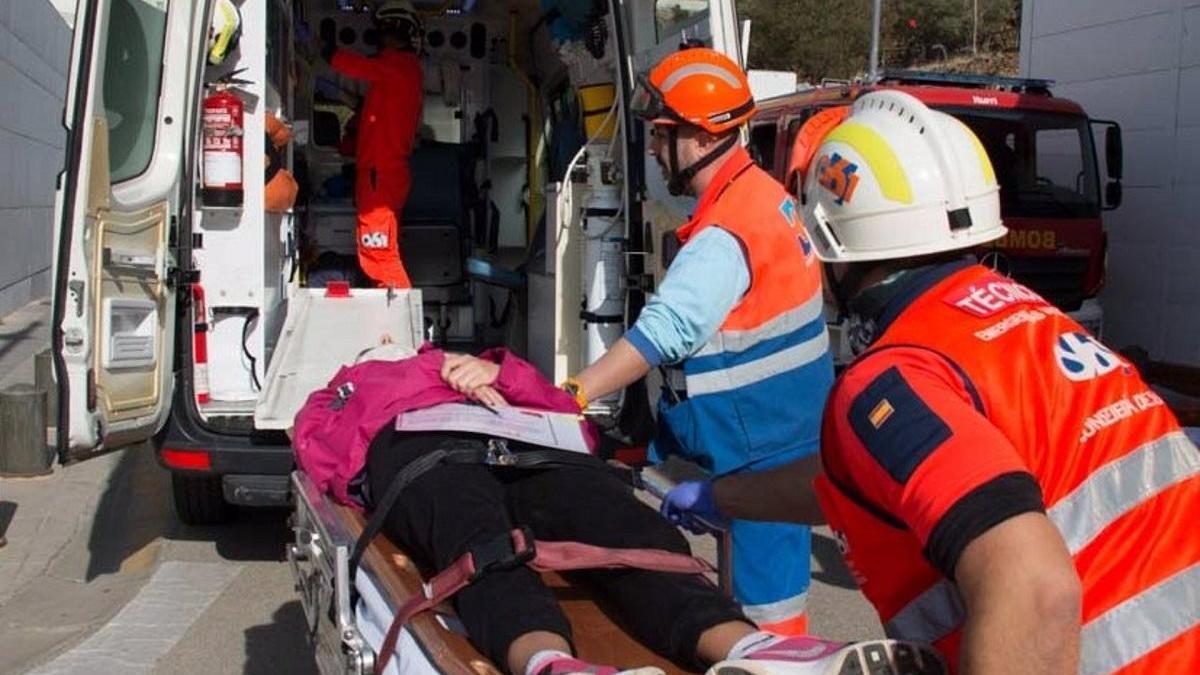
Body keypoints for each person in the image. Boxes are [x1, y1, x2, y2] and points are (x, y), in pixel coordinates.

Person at [665, 90, 1200, 674]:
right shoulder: (1023, 322)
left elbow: (1033, 590)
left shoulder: (893, 377)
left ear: (833, 242)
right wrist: (725, 498)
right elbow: (875, 474)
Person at [441, 47, 834, 635]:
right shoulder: (763, 199)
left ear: (702, 139)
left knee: (766, 623)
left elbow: (660, 337)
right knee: (756, 607)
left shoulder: (724, 237)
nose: (652, 149)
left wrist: (570, 394)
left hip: (757, 451)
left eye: (662, 135)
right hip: (782, 435)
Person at [294, 346, 942, 675]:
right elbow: (318, 446)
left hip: (530, 438)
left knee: (629, 528)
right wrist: (362, 485)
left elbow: (555, 401)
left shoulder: (478, 360)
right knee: (482, 541)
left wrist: (492, 373)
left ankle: (754, 649)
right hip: (423, 446)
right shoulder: (360, 382)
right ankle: (553, 663)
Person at [324, 0, 423, 288]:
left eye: (382, 31)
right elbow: (375, 113)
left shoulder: (396, 66)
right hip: (384, 173)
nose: (379, 39)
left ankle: (405, 330)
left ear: (393, 30)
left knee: (379, 256)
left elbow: (356, 66)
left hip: (380, 174)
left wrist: (326, 50)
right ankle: (396, 328)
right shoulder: (403, 72)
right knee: (381, 252)